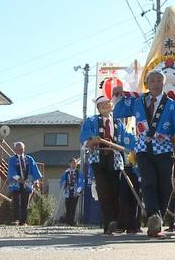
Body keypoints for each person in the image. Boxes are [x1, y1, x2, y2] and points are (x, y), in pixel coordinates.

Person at [113, 70, 175, 238]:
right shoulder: (138, 101)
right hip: (143, 148)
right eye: (152, 80)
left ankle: (157, 217)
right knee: (148, 181)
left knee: (166, 185)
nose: (156, 83)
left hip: (164, 148)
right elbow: (119, 111)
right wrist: (117, 95)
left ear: (163, 83)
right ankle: (154, 216)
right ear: (147, 83)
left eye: (159, 80)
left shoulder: (171, 105)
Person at [80, 95, 135, 235]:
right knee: (103, 190)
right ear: (98, 107)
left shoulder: (118, 123)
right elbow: (85, 137)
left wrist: (135, 147)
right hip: (98, 157)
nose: (105, 105)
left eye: (108, 103)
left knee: (116, 190)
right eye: (102, 104)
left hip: (115, 158)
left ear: (112, 106)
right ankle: (108, 221)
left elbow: (126, 139)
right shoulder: (92, 121)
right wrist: (91, 141)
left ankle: (116, 221)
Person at [7, 141, 42, 226]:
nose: (20, 150)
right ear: (15, 150)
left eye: (22, 149)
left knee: (25, 202)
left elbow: (34, 171)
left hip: (27, 182)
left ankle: (23, 221)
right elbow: (11, 171)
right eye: (18, 149)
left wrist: (36, 181)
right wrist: (19, 179)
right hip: (16, 183)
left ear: (24, 149)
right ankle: (16, 219)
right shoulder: (12, 159)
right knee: (16, 201)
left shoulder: (29, 159)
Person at [117, 152, 142, 234]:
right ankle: (122, 225)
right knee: (123, 197)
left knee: (136, 198)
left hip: (136, 168)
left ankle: (134, 225)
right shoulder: (119, 138)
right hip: (123, 167)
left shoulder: (139, 139)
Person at [59, 158, 84, 226]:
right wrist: (63, 185)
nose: (73, 165)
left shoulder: (78, 173)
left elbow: (81, 182)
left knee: (73, 206)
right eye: (72, 163)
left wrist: (78, 191)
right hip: (67, 191)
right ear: (69, 164)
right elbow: (62, 181)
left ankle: (71, 221)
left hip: (75, 191)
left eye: (75, 163)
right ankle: (67, 221)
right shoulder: (66, 173)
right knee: (67, 206)